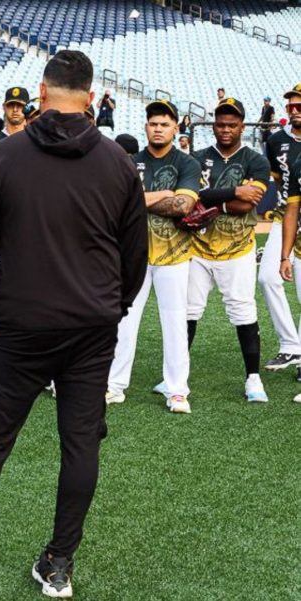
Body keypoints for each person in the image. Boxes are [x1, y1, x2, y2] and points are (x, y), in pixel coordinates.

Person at [0, 50, 147, 599]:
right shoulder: (115, 162)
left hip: (17, 326)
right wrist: (113, 307)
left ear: (41, 93)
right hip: (90, 328)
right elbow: (136, 254)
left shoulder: (4, 155)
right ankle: (59, 565)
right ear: (90, 97)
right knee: (81, 445)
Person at [106, 100, 201, 413]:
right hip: (133, 256)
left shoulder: (187, 164)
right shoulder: (129, 161)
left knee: (174, 323)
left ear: (176, 127)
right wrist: (163, 194)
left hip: (173, 254)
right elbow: (119, 203)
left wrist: (139, 199)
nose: (158, 129)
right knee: (124, 321)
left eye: (164, 124)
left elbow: (184, 206)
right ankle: (115, 385)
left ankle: (177, 391)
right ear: (145, 127)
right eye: (153, 123)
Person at [189, 98, 271, 403]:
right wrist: (233, 193)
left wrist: (214, 200)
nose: (226, 129)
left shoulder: (255, 160)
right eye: (221, 124)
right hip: (198, 245)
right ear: (213, 125)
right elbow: (193, 197)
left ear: (242, 126)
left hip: (238, 246)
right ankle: (177, 374)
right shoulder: (197, 157)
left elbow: (250, 204)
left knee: (243, 309)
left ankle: (253, 378)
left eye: (232, 124)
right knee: (189, 309)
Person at [262, 84, 301, 371]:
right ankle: (290, 345)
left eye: (300, 105)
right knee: (266, 278)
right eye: (291, 106)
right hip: (284, 213)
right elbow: (276, 180)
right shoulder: (275, 141)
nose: (295, 110)